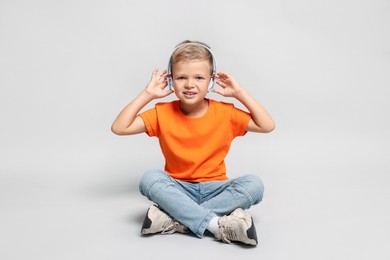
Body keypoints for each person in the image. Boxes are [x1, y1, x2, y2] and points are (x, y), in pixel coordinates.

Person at [111, 40, 275, 246]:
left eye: (199, 77)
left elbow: (267, 125)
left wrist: (240, 93)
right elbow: (119, 127)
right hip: (178, 188)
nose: (190, 84)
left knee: (254, 185)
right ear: (171, 80)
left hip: (217, 188)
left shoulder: (225, 113)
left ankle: (176, 219)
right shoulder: (162, 113)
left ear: (211, 81)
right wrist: (147, 94)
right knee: (149, 179)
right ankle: (216, 224)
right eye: (181, 77)